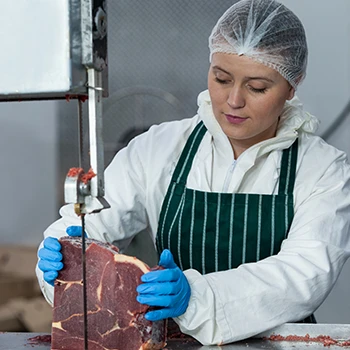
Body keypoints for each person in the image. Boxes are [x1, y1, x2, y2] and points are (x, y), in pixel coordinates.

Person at [36, 0, 350, 345]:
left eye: (257, 87)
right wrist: (63, 256)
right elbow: (92, 221)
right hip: (178, 341)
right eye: (221, 78)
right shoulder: (159, 147)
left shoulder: (323, 169)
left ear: (292, 86)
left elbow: (305, 273)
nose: (233, 100)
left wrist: (198, 296)